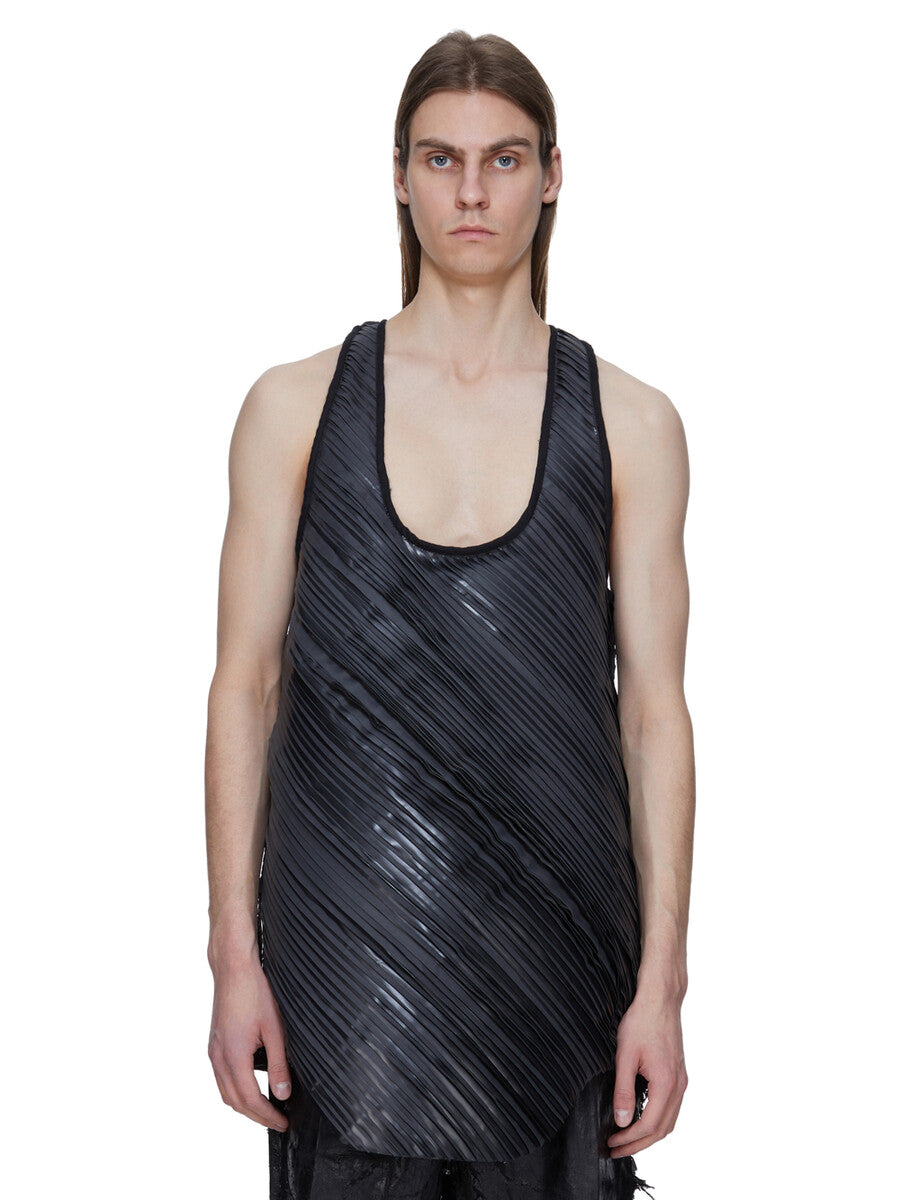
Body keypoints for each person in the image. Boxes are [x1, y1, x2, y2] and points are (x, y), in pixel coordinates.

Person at [205, 28, 693, 1200]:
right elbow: (245, 686)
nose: (472, 192)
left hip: (558, 973)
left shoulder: (630, 422)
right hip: (345, 981)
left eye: (503, 159)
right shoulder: (294, 409)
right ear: (399, 175)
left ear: (552, 175)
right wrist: (230, 958)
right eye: (441, 159)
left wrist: (663, 985)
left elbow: (654, 716)